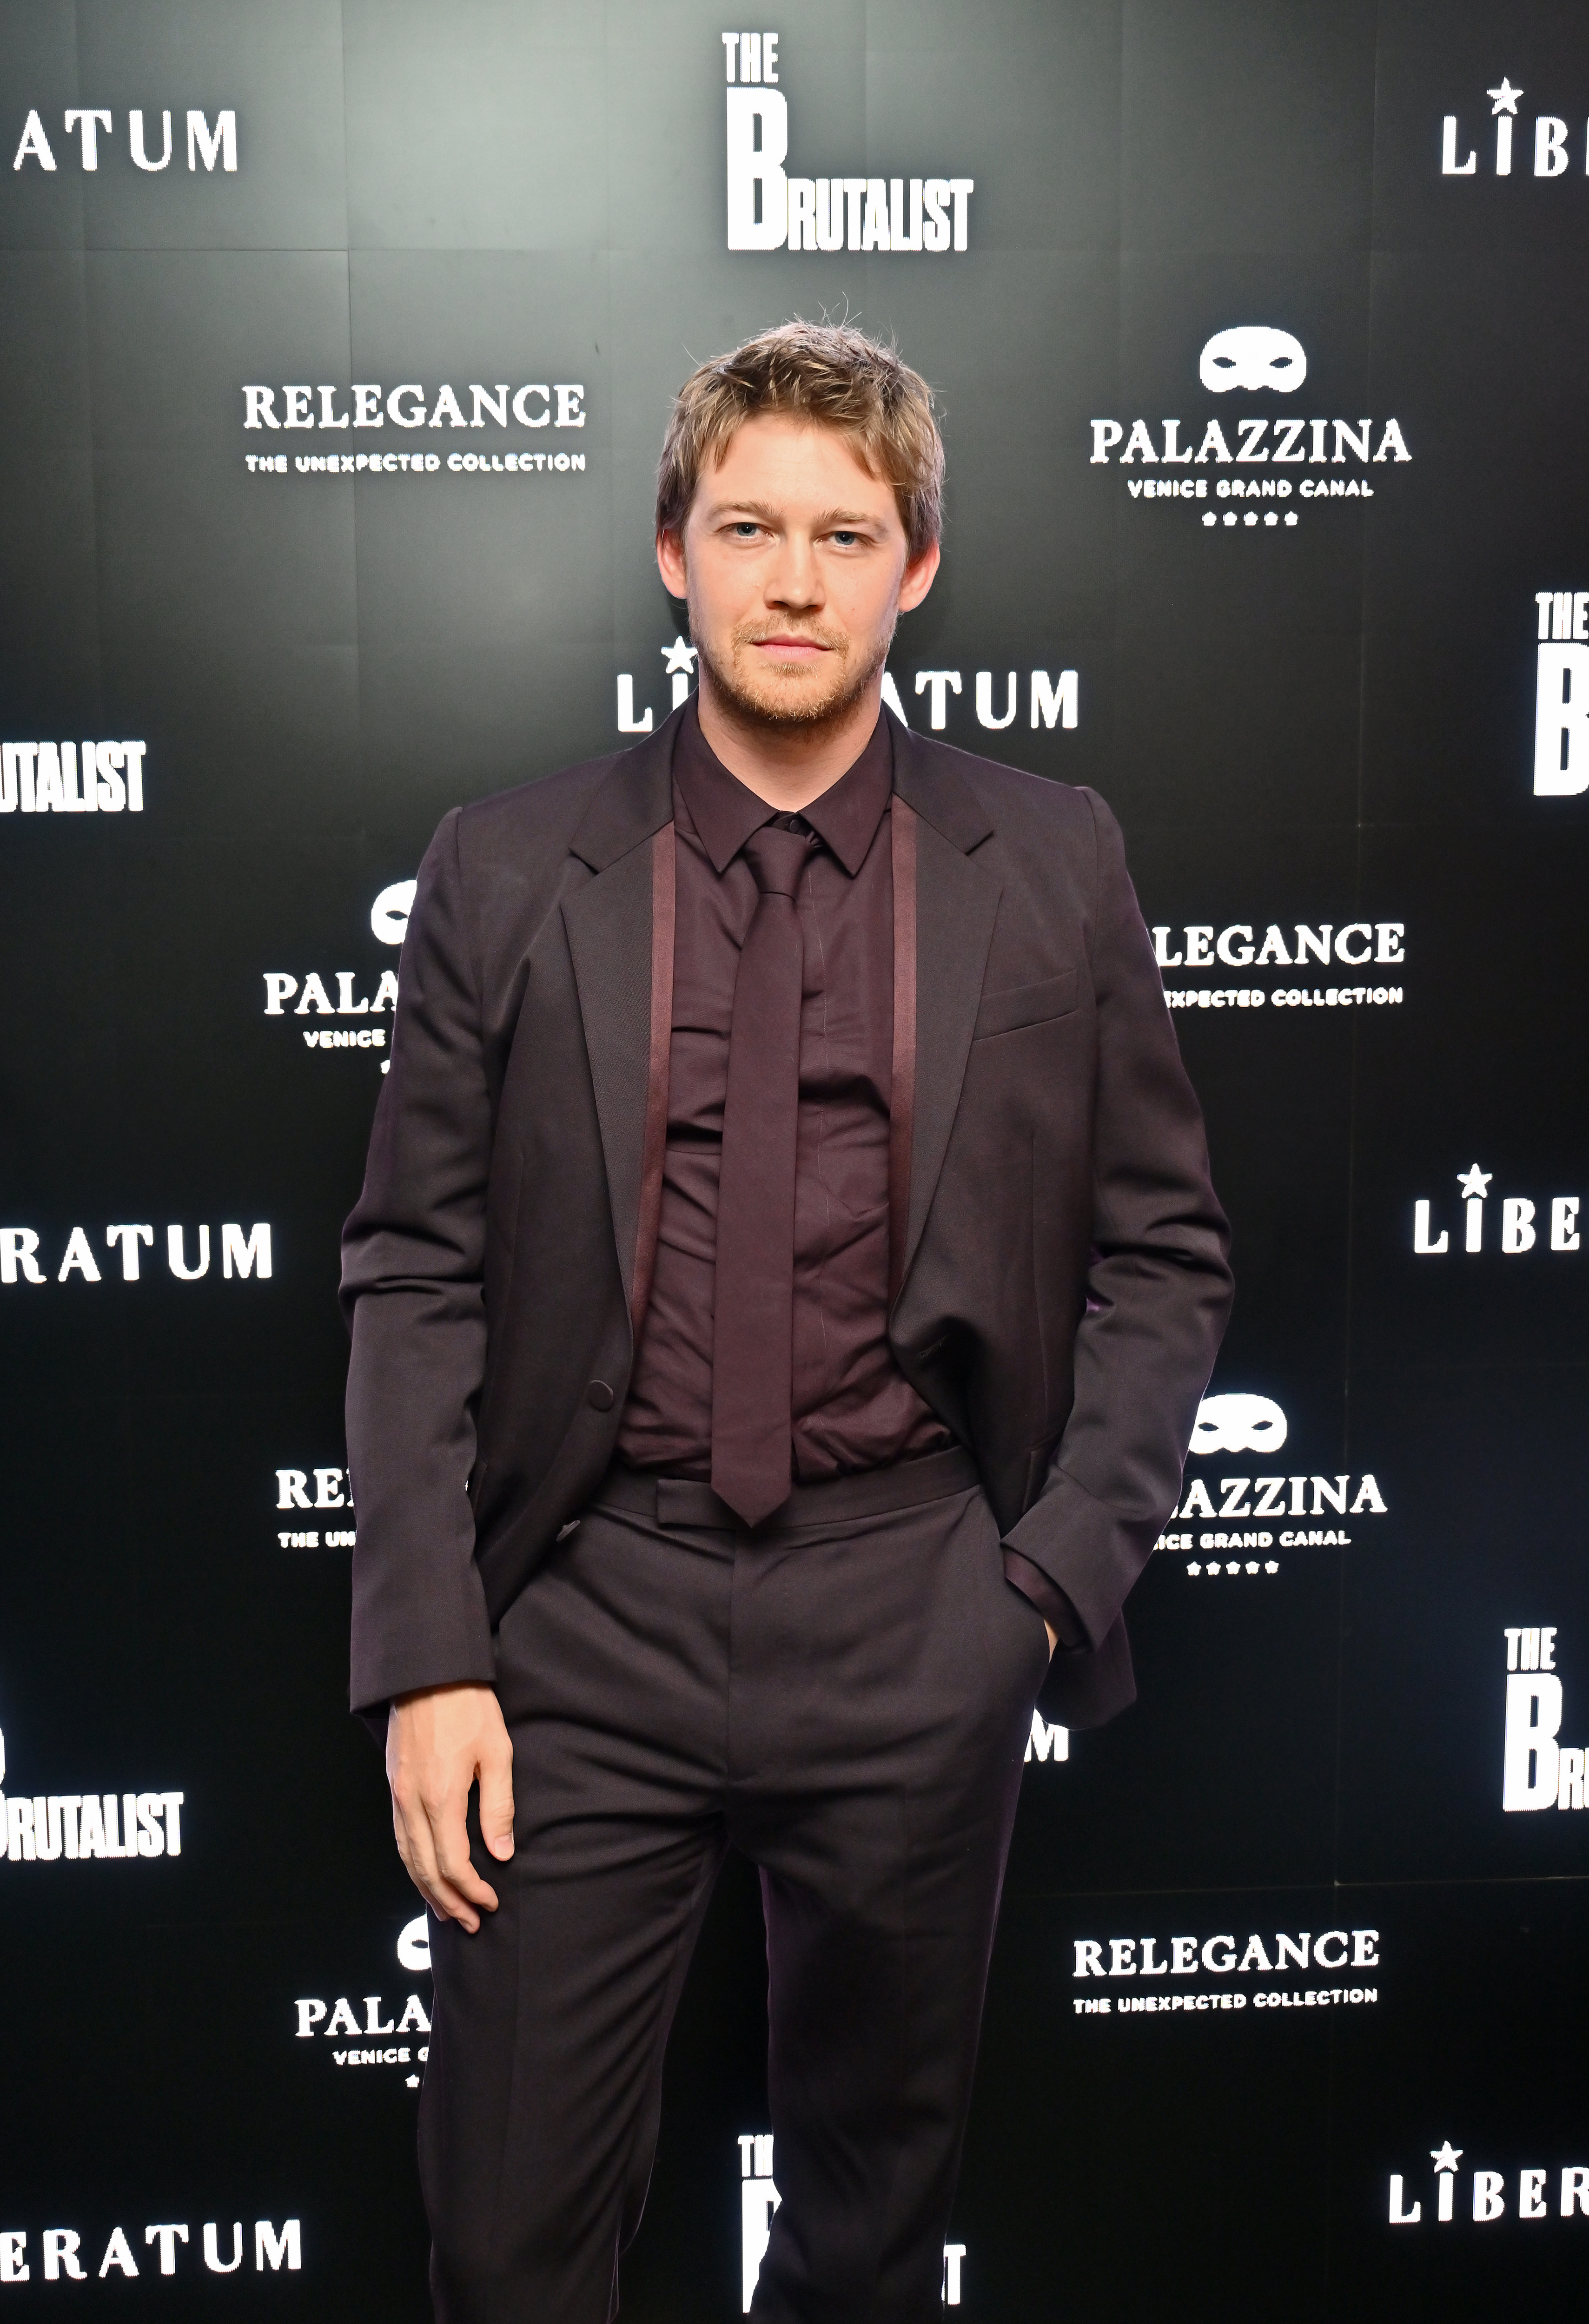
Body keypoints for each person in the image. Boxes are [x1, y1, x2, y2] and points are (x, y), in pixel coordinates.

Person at [341, 320, 1233, 2323]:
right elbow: (411, 1266)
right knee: (504, 2243)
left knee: (867, 2235)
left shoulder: (1055, 859)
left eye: (847, 532)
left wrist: (1041, 1582)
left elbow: (1165, 1252)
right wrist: (431, 1653)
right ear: (674, 548)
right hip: (581, 1614)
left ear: (919, 564)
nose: (796, 577)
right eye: (748, 524)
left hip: (914, 1598)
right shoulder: (503, 869)